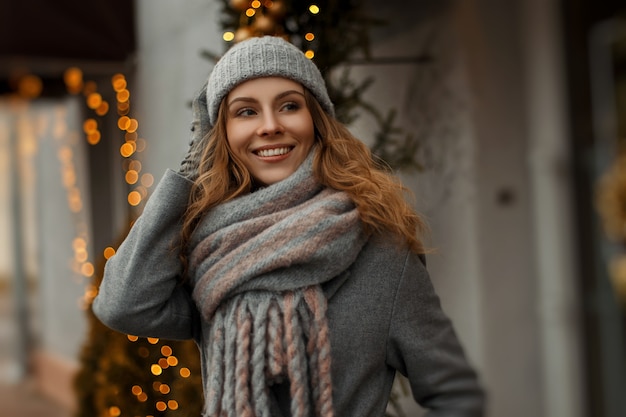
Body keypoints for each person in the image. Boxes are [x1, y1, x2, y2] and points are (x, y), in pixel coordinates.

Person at [93, 36, 485, 417]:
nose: (269, 126)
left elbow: (456, 394)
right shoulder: (214, 253)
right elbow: (124, 305)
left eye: (289, 106)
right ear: (222, 134)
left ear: (316, 121)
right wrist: (193, 167)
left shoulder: (380, 252)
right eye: (246, 111)